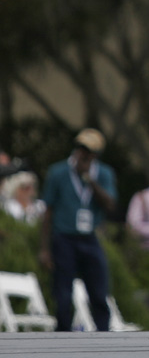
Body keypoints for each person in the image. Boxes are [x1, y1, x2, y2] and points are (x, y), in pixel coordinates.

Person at [38, 128, 118, 331]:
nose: (83, 153)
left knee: (99, 290)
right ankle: (63, 334)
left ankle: (103, 333)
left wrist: (89, 180)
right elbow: (48, 211)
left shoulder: (104, 173)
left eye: (88, 150)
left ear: (95, 154)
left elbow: (110, 205)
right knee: (63, 294)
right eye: (81, 148)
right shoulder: (58, 173)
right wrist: (44, 249)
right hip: (64, 237)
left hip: (89, 237)